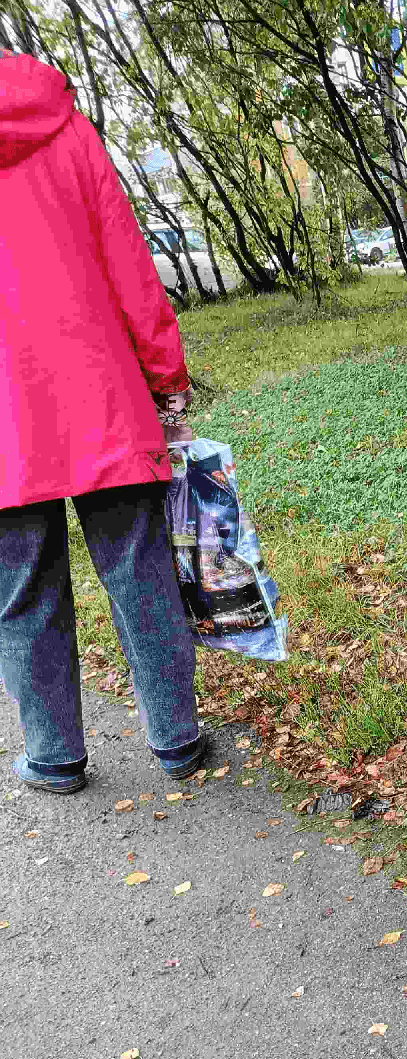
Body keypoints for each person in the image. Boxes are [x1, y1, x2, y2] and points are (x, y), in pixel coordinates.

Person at [0, 48, 205, 794]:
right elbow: (128, 263)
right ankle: (177, 739)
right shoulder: (63, 125)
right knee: (139, 569)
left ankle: (54, 756)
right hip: (100, 393)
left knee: (22, 590)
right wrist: (166, 378)